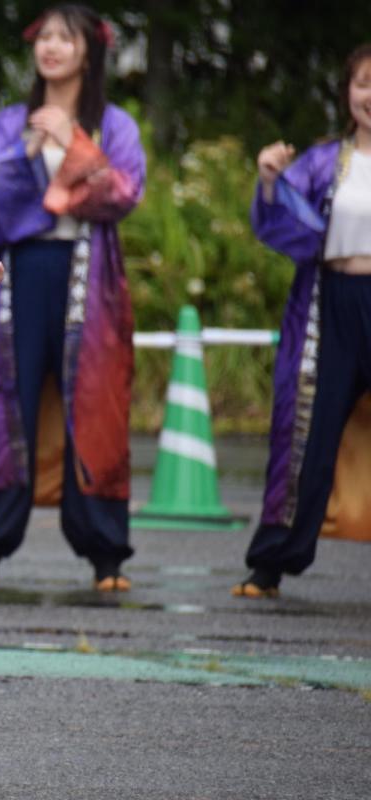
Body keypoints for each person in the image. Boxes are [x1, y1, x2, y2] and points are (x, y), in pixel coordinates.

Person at [0, 4, 146, 594]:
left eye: (66, 39)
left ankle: (105, 555)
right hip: (20, 274)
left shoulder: (113, 124)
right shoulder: (11, 125)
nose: (53, 48)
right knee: (1, 401)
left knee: (94, 403)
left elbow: (124, 191)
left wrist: (76, 145)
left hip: (89, 277)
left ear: (89, 50)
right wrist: (31, 152)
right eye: (46, 38)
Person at [234, 43, 371, 598]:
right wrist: (269, 179)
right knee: (307, 432)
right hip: (330, 304)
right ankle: (272, 562)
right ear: (348, 92)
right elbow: (283, 220)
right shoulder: (322, 161)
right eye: (364, 83)